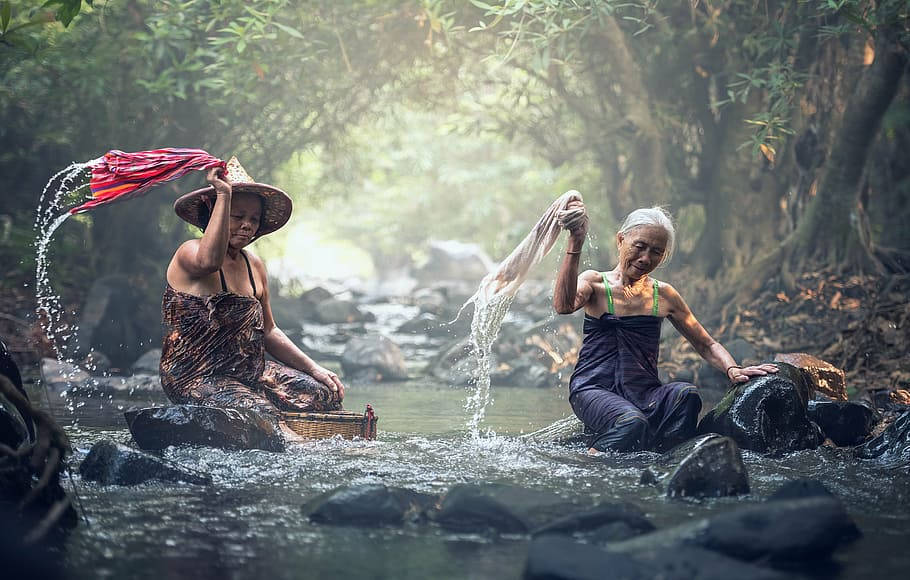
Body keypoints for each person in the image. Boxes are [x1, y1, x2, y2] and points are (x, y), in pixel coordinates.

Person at [553, 202, 777, 453]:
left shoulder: (664, 295)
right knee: (631, 422)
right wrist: (576, 243)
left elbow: (706, 344)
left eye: (656, 252)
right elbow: (563, 305)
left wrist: (733, 370)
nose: (646, 258)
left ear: (664, 256)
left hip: (644, 392)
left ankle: (668, 460)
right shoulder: (594, 282)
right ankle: (588, 461)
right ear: (620, 240)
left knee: (687, 396)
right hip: (593, 389)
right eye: (639, 246)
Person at [160, 157, 346, 440]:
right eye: (237, 216)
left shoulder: (253, 265)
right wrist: (223, 193)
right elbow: (210, 261)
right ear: (215, 212)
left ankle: (297, 429)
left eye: (254, 219)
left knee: (322, 394)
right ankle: (297, 444)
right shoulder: (190, 252)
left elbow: (269, 330)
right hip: (196, 376)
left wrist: (315, 368)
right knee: (262, 414)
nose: (247, 225)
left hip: (248, 371)